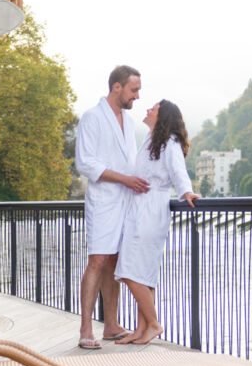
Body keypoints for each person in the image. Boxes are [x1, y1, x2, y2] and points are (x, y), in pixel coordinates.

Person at [74, 65, 150, 349]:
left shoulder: (128, 123)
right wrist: (124, 179)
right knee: (97, 261)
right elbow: (85, 163)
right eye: (134, 90)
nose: (137, 96)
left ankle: (110, 325)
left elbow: (131, 161)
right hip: (104, 201)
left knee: (116, 262)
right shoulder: (92, 118)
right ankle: (84, 328)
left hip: (126, 201)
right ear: (117, 87)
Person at [113, 100, 200, 345]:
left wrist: (187, 192)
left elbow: (177, 170)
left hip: (151, 210)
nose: (148, 110)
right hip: (140, 208)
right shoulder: (151, 139)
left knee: (130, 270)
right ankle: (142, 329)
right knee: (143, 271)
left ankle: (153, 323)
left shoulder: (169, 142)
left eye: (153, 108)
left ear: (162, 116)